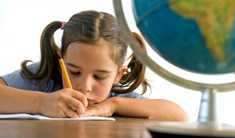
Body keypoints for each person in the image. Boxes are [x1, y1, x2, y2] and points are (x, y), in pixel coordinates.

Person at [0, 10, 187, 121]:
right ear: (61, 63)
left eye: (99, 76)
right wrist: (41, 103)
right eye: (74, 71)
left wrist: (114, 105)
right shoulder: (44, 77)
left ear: (118, 76)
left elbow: (179, 115)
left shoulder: (113, 97)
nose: (85, 87)